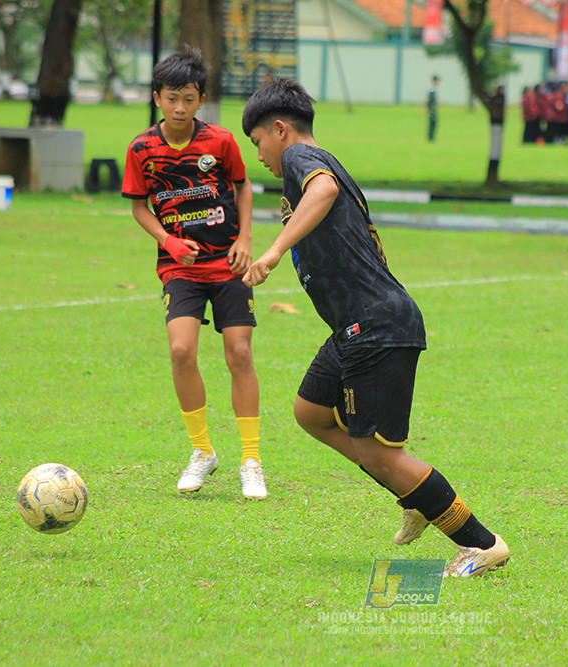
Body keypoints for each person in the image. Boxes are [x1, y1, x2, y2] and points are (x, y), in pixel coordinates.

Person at [239, 78, 510, 577]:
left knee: (378, 452)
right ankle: (412, 495)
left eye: (257, 142)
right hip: (356, 325)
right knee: (311, 412)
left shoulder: (303, 160)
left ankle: (482, 543)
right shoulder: (314, 160)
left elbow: (323, 191)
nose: (258, 155)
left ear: (279, 130)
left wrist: (275, 250)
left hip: (375, 324)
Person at [121, 46, 267, 499]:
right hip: (179, 268)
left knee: (238, 354)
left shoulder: (221, 142)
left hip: (227, 266)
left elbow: (243, 188)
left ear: (200, 99)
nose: (179, 108)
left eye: (188, 98)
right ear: (156, 98)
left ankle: (251, 459)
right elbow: (138, 207)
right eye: (171, 98)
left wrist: (244, 240)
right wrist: (168, 240)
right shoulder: (142, 149)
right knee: (182, 351)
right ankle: (202, 451)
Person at [426, 75, 440, 142]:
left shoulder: (434, 89)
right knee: (432, 123)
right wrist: (430, 110)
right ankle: (430, 138)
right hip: (432, 110)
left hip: (433, 109)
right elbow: (430, 101)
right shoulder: (432, 89)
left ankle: (431, 137)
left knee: (433, 123)